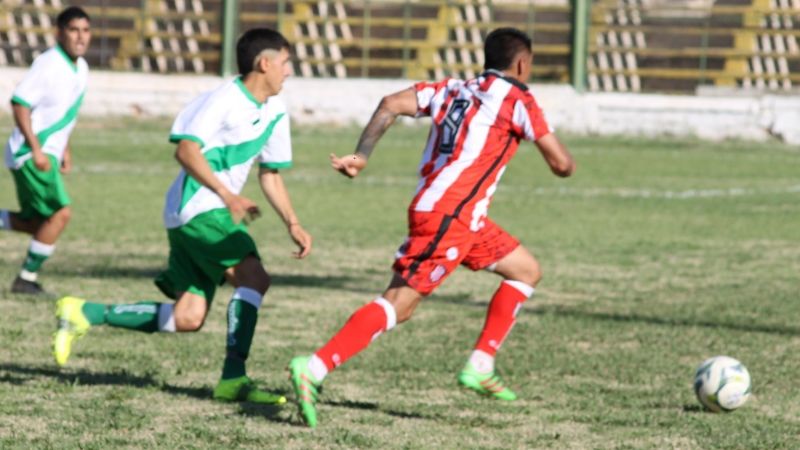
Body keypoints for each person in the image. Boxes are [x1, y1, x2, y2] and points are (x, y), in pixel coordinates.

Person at [288, 27, 576, 427]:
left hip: (458, 216)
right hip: (450, 217)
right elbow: (562, 165)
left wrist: (362, 154)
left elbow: (390, 103)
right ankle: (315, 367)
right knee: (399, 304)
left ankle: (480, 364)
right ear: (523, 63)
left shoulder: (451, 89)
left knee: (525, 270)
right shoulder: (518, 99)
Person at [53, 28, 312, 405]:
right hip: (198, 207)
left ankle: (84, 312)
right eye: (286, 63)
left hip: (202, 212)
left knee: (188, 317)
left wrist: (293, 223)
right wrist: (228, 195)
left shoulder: (275, 109)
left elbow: (270, 173)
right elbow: (186, 151)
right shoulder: (222, 101)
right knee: (254, 277)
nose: (289, 71)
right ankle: (233, 379)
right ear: (265, 63)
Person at [1, 7, 91, 295]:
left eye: (85, 30)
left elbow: (62, 114)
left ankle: (26, 277)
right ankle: (26, 279)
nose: (80, 37)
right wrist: (38, 149)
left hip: (46, 153)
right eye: (73, 30)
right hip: (31, 154)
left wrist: (65, 148)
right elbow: (19, 103)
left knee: (36, 223)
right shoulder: (49, 64)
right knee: (59, 215)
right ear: (59, 32)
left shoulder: (81, 67)